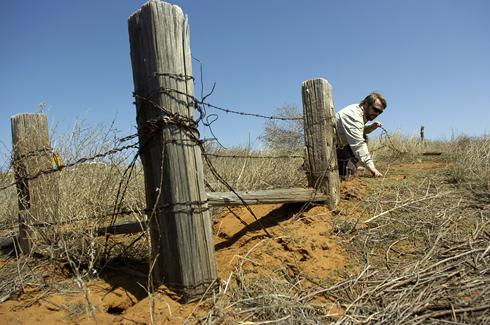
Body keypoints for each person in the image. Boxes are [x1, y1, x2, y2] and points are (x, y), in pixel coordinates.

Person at [336, 92, 387, 179]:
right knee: (346, 176)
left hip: (339, 145)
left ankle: (347, 167)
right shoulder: (353, 115)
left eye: (380, 112)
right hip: (330, 148)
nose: (377, 114)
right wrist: (373, 169)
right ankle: (343, 169)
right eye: (375, 109)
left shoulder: (361, 112)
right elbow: (358, 143)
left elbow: (359, 130)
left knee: (363, 136)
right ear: (366, 103)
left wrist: (371, 127)